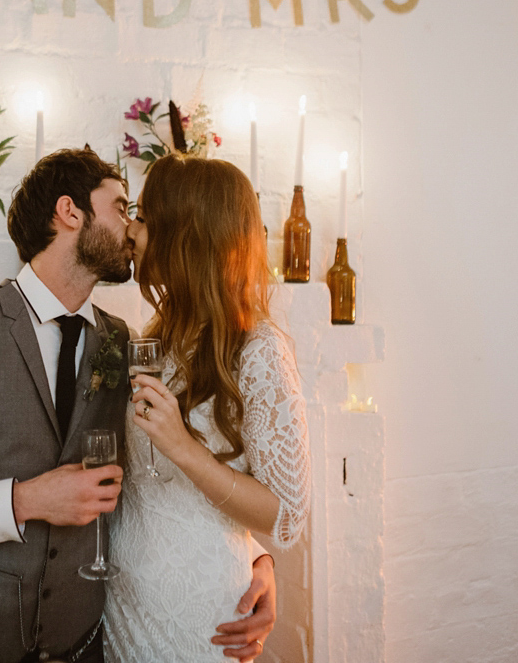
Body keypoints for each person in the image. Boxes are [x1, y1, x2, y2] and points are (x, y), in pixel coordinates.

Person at [0, 148, 277, 663]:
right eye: (122, 207)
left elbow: (154, 478)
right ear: (70, 212)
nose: (134, 228)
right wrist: (22, 501)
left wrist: (254, 560)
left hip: (80, 645)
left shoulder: (127, 345)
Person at [104, 154, 312, 663]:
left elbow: (286, 515)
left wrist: (183, 448)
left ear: (185, 236)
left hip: (200, 616)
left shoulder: (259, 349)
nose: (131, 230)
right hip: (123, 606)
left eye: (146, 218)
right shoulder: (160, 335)